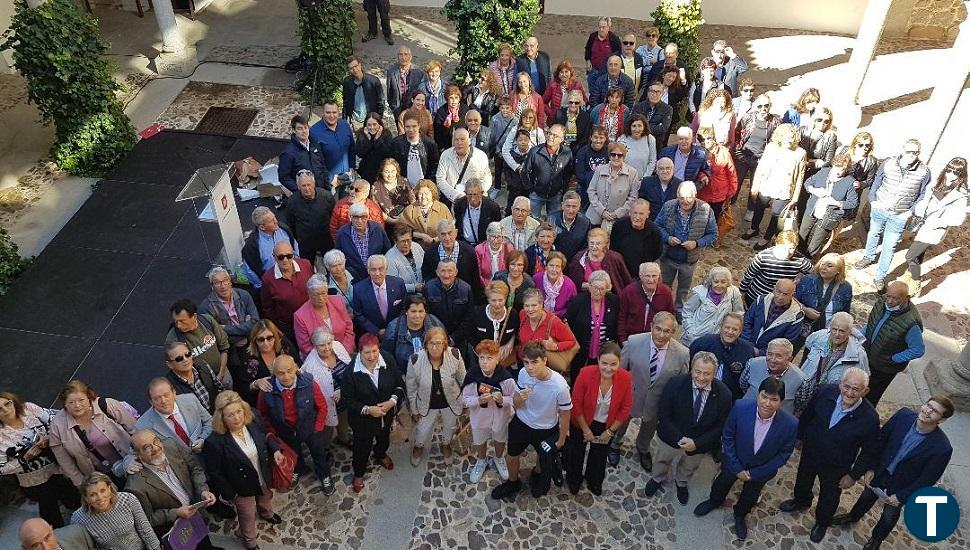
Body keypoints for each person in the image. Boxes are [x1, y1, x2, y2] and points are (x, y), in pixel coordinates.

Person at [831, 396, 954, 550]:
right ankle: (853, 516)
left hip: (901, 487)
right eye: (928, 405)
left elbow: (927, 480)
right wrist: (871, 468)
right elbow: (880, 442)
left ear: (941, 420)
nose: (927, 411)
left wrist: (902, 496)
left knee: (889, 517)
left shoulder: (942, 448)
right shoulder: (903, 416)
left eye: (934, 411)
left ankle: (875, 540)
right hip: (880, 473)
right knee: (866, 496)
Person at [693, 378, 798, 541]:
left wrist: (754, 473)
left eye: (774, 399)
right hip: (733, 462)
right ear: (758, 395)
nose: (767, 403)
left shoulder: (791, 424)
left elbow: (783, 455)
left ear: (781, 401)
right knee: (722, 483)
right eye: (764, 397)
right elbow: (728, 435)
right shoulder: (740, 407)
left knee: (750, 495)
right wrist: (736, 467)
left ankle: (740, 515)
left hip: (760, 471)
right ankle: (714, 501)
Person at [782, 368, 879, 542]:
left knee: (829, 496)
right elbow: (808, 414)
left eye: (856, 389)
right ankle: (801, 500)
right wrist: (800, 436)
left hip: (837, 465)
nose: (849, 393)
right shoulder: (825, 392)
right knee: (803, 479)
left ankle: (822, 522)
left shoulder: (870, 418)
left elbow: (870, 451)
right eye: (846, 386)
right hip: (811, 451)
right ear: (840, 384)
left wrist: (853, 475)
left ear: (865, 391)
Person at [644, 351, 733, 504]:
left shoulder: (724, 394)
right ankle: (657, 478)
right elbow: (664, 414)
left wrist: (697, 444)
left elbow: (720, 426)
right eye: (698, 372)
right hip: (671, 437)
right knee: (662, 460)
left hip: (699, 444)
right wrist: (679, 438)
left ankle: (681, 482)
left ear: (715, 373)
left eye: (707, 373)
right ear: (691, 369)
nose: (701, 377)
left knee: (689, 467)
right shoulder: (675, 384)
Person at [490, 341, 572, 500]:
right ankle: (513, 483)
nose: (530, 367)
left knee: (542, 458)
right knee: (511, 456)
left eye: (534, 362)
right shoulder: (522, 374)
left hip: (546, 428)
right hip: (521, 422)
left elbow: (566, 413)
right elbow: (516, 404)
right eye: (526, 362)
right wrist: (521, 397)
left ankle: (536, 475)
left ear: (545, 360)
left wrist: (561, 438)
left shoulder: (560, 386)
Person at [203, 390, 284, 550]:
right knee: (247, 515)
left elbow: (266, 435)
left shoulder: (252, 419)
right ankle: (250, 541)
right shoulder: (214, 442)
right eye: (230, 415)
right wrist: (231, 494)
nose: (237, 418)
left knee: (266, 496)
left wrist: (275, 450)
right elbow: (215, 472)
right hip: (240, 487)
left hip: (261, 473)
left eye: (239, 411)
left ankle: (267, 513)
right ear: (222, 418)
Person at [610, 312, 688, 470]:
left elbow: (680, 385)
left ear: (673, 332)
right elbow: (619, 372)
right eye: (658, 329)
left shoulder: (682, 353)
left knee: (649, 428)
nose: (661, 335)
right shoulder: (634, 341)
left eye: (667, 331)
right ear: (651, 326)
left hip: (657, 402)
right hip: (630, 396)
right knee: (621, 423)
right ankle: (615, 444)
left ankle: (643, 448)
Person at [257, 355, 335, 494]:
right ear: (274, 373)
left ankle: (325, 476)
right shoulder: (267, 390)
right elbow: (263, 414)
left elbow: (322, 406)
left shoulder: (308, 383)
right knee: (294, 454)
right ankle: (298, 469)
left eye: (289, 371)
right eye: (281, 373)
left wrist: (317, 428)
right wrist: (273, 433)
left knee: (319, 454)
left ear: (296, 369)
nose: (286, 376)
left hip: (310, 428)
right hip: (286, 431)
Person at [124, 430, 217, 545]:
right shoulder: (135, 486)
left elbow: (195, 468)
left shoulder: (172, 445)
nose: (156, 448)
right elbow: (148, 519)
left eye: (156, 441)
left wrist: (202, 490)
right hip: (177, 531)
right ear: (138, 455)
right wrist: (176, 513)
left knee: (205, 542)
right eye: (147, 447)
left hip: (198, 515)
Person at [0, 392, 77, 528]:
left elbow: (56, 419)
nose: (6, 410)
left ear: (13, 401)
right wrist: (24, 459)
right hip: (34, 479)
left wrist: (48, 437)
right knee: (49, 507)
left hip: (58, 464)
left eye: (7, 404)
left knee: (72, 497)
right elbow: (2, 469)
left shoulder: (28, 409)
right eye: (0, 409)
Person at [564, 343, 633, 495]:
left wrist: (610, 431)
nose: (608, 368)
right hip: (581, 421)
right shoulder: (585, 373)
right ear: (598, 360)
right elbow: (576, 403)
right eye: (604, 363)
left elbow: (626, 408)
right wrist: (585, 429)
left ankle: (594, 480)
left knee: (599, 454)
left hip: (607, 424)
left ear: (619, 362)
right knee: (577, 452)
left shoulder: (626, 378)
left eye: (613, 364)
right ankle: (574, 479)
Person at [342, 334, 405, 492]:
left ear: (379, 349)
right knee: (361, 447)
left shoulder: (388, 360)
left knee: (384, 438)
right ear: (359, 352)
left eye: (375, 351)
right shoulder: (350, 372)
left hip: (386, 415)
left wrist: (392, 401)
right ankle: (359, 472)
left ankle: (380, 454)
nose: (371, 356)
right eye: (367, 353)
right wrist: (368, 410)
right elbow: (347, 400)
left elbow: (399, 385)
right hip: (362, 422)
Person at [49, 381, 138, 487]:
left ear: (89, 397)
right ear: (65, 405)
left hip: (132, 461)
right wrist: (81, 484)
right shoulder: (57, 425)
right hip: (100, 478)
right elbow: (65, 461)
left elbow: (136, 430)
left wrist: (139, 455)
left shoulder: (107, 405)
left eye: (81, 400)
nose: (77, 405)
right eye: (71, 402)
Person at [406, 327, 466, 465]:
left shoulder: (455, 354)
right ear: (425, 344)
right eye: (431, 343)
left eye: (439, 343)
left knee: (449, 426)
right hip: (427, 402)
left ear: (445, 344)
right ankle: (419, 445)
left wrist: (466, 402)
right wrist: (414, 409)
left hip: (451, 401)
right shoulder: (415, 360)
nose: (435, 347)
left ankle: (446, 444)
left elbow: (464, 380)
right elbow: (411, 387)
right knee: (422, 428)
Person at [656, 181, 719, 312]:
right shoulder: (668, 206)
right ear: (677, 196)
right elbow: (657, 226)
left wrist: (696, 243)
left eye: (689, 197)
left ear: (695, 195)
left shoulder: (706, 209)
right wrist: (667, 238)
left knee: (683, 289)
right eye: (682, 198)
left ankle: (679, 310)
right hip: (668, 257)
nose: (685, 201)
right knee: (665, 286)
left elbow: (713, 234)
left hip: (689, 260)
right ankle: (663, 309)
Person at [905, 156, 968, 283]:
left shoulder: (960, 195)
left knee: (910, 256)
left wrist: (937, 222)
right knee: (918, 255)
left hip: (933, 229)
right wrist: (919, 211)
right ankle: (910, 280)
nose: (951, 174)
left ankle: (916, 280)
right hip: (922, 224)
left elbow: (958, 219)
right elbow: (924, 200)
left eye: (956, 172)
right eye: (949, 170)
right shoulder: (938, 183)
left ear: (961, 174)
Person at [792, 312, 870, 415]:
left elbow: (863, 379)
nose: (837, 334)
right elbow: (808, 346)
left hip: (828, 399)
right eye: (834, 329)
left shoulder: (858, 355)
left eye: (842, 331)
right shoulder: (818, 337)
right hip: (803, 393)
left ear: (850, 332)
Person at [861, 281, 924, 406]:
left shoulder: (911, 323)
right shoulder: (882, 301)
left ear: (906, 298)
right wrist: (860, 336)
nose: (889, 301)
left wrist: (893, 359)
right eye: (888, 295)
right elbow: (872, 323)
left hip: (883, 369)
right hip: (867, 356)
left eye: (895, 298)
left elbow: (918, 349)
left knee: (870, 396)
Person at [462, 340, 517, 483]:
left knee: (500, 439)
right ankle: (481, 460)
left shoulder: (506, 379)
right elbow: (465, 398)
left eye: (489, 358)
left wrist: (502, 400)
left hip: (500, 418)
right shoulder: (472, 376)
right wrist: (478, 401)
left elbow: (515, 399)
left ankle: (499, 458)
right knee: (480, 440)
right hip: (479, 418)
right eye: (481, 358)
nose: (485, 362)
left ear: (498, 358)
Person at [744, 123, 806, 249]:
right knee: (759, 207)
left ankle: (767, 237)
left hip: (785, 188)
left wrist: (795, 197)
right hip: (768, 184)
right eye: (786, 137)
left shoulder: (800, 153)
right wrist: (755, 185)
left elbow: (800, 177)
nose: (789, 140)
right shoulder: (771, 147)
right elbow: (761, 168)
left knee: (776, 214)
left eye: (792, 137)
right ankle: (753, 228)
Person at [70, 472, 159, 550]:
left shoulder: (128, 499)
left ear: (109, 488)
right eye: (93, 495)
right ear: (86, 498)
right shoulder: (78, 519)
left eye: (103, 491)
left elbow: (145, 529)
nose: (100, 498)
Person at [131, 378, 212, 456]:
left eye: (166, 395)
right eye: (157, 398)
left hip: (208, 453)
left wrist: (202, 439)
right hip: (181, 466)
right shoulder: (142, 425)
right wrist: (128, 463)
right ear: (151, 402)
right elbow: (132, 453)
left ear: (174, 392)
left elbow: (210, 422)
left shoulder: (190, 400)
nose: (163, 401)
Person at [300, 328, 353, 446]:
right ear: (314, 346)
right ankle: (325, 449)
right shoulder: (310, 366)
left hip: (344, 398)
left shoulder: (337, 346)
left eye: (329, 343)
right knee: (326, 431)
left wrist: (344, 389)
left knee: (344, 421)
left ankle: (343, 438)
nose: (327, 347)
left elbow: (350, 369)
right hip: (327, 405)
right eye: (322, 345)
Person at [798, 154, 858, 257]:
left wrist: (836, 203)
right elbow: (808, 182)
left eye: (842, 170)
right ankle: (797, 254)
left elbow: (853, 202)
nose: (838, 172)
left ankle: (808, 260)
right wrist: (814, 190)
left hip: (830, 216)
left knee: (816, 240)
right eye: (836, 168)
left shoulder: (849, 182)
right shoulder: (824, 172)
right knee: (802, 234)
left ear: (847, 169)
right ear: (833, 165)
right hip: (812, 209)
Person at [566, 270, 620, 380]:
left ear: (607, 289)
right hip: (580, 348)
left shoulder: (614, 301)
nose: (598, 291)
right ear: (589, 286)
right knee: (577, 377)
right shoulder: (578, 301)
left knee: (599, 378)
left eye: (602, 289)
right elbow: (569, 322)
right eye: (595, 287)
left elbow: (617, 323)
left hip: (604, 350)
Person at [230, 320, 297, 408]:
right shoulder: (247, 357)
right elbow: (242, 389)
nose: (266, 343)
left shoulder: (284, 346)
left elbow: (298, 364)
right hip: (266, 402)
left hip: (292, 393)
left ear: (275, 337)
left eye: (269, 338)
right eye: (261, 339)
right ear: (254, 340)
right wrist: (256, 383)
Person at [689, 313, 756, 401]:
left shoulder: (747, 350)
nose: (730, 332)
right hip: (698, 392)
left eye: (735, 329)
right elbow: (690, 368)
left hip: (729, 398)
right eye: (727, 327)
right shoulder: (702, 344)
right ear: (721, 327)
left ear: (740, 331)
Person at [166, 298, 230, 387]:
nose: (178, 325)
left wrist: (222, 372)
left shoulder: (207, 321)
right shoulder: (173, 339)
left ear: (194, 316)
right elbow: (176, 366)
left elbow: (224, 347)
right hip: (200, 383)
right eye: (176, 321)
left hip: (222, 373)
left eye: (182, 321)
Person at [738, 231, 813, 307]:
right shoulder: (763, 257)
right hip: (756, 298)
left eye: (791, 248)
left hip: (778, 303)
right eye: (784, 248)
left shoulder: (799, 260)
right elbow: (748, 277)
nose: (787, 252)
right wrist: (741, 296)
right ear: (777, 244)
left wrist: (797, 284)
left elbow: (813, 273)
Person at [734, 94, 781, 208]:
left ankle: (751, 208)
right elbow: (736, 135)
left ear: (770, 106)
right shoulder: (747, 118)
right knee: (736, 182)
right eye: (760, 106)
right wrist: (738, 153)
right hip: (744, 156)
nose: (763, 109)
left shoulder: (775, 122)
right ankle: (730, 205)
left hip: (761, 159)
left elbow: (777, 141)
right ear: (756, 106)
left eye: (766, 106)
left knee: (756, 186)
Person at [738, 338, 806, 415]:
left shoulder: (801, 379)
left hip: (778, 421)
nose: (773, 359)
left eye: (778, 356)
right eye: (770, 354)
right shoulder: (752, 364)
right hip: (747, 413)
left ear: (789, 359)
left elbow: (800, 405)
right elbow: (743, 385)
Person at [260, 241, 312, 341]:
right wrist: (276, 329)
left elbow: (315, 288)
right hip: (289, 326)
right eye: (280, 257)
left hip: (311, 319)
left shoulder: (306, 265)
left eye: (289, 256)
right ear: (274, 257)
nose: (285, 260)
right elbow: (268, 308)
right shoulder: (268, 279)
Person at [200, 266, 260, 354]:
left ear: (230, 282)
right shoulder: (206, 307)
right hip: (230, 349)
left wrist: (226, 328)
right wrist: (242, 332)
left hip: (253, 339)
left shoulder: (243, 295)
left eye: (225, 280)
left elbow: (255, 322)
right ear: (212, 286)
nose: (222, 285)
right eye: (217, 282)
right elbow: (214, 335)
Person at [294, 274, 355, 359]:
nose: (321, 298)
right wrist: (329, 358)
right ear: (309, 294)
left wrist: (344, 352)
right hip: (320, 359)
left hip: (346, 352)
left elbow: (349, 328)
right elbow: (305, 346)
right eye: (316, 294)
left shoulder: (338, 301)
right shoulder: (300, 316)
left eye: (323, 293)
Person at [516, 288, 579, 369]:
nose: (530, 309)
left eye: (534, 305)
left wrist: (555, 346)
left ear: (541, 304)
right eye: (526, 305)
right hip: (525, 363)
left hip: (544, 369)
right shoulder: (523, 314)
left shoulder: (554, 322)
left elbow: (571, 341)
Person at [681, 266, 745, 345]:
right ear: (711, 281)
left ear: (728, 282)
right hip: (696, 337)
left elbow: (739, 314)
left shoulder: (734, 293)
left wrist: (731, 332)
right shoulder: (699, 292)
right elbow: (687, 312)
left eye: (723, 282)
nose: (719, 285)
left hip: (718, 340)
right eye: (716, 281)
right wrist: (690, 330)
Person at [284, 170, 335, 266]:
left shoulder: (326, 196)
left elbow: (333, 217)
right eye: (303, 186)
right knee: (307, 266)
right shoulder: (292, 202)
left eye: (309, 184)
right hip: (306, 242)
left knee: (332, 264)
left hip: (326, 239)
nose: (307, 188)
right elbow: (290, 224)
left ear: (314, 183)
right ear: (298, 186)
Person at [382, 294, 445, 372]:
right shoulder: (393, 329)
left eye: (421, 311)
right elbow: (387, 358)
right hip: (404, 374)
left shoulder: (435, 324)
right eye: (413, 311)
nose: (417, 315)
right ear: (406, 312)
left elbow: (445, 350)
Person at [617, 261, 676, 343]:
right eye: (647, 276)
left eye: (654, 276)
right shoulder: (628, 292)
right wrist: (623, 339)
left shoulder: (666, 293)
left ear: (659, 276)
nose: (651, 280)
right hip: (632, 337)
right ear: (640, 276)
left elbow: (670, 317)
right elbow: (622, 317)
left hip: (655, 339)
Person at [421, 219, 482, 298]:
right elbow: (427, 276)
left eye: (450, 233)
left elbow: (475, 279)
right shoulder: (430, 252)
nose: (447, 238)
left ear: (456, 233)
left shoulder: (468, 251)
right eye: (443, 234)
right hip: (438, 298)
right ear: (438, 235)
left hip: (463, 298)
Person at [586, 141, 640, 231]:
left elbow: (633, 197)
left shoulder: (633, 173)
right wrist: (602, 211)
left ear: (624, 156)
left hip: (620, 219)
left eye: (619, 155)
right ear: (609, 155)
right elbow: (591, 191)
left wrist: (617, 213)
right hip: (596, 216)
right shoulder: (599, 170)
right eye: (613, 154)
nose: (616, 157)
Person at [742, 279, 805, 355]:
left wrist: (761, 353)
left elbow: (786, 343)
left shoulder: (796, 316)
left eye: (785, 294)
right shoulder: (761, 301)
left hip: (769, 356)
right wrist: (748, 345)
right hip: (746, 346)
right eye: (778, 292)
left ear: (793, 294)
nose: (780, 297)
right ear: (774, 289)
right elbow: (747, 322)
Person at [522, 124, 573, 219]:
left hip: (556, 195)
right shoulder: (535, 151)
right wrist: (530, 188)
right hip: (536, 194)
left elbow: (567, 173)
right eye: (549, 133)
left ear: (562, 139)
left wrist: (562, 189)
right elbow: (525, 171)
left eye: (555, 135)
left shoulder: (567, 153)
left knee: (553, 222)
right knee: (532, 220)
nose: (550, 137)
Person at [794, 253, 853, 333]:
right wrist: (804, 309)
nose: (824, 268)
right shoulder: (807, 280)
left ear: (839, 270)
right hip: (803, 327)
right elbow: (792, 300)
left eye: (829, 266)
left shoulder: (846, 288)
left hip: (829, 331)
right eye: (822, 264)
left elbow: (845, 313)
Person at [351, 255, 407, 338]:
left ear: (386, 269)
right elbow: (358, 314)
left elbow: (404, 308)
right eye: (373, 269)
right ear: (368, 270)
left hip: (396, 332)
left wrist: (392, 328)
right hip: (371, 334)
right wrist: (376, 331)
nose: (377, 273)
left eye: (381, 269)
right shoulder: (358, 289)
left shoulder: (398, 283)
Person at [163, 342, 226, 415]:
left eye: (188, 354)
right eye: (179, 358)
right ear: (169, 365)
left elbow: (219, 388)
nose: (185, 359)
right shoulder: (168, 386)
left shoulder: (202, 364)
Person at [335, 202, 392, 281]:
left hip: (377, 275)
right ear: (350, 217)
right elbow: (339, 257)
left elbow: (388, 252)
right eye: (356, 217)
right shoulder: (342, 233)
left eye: (363, 217)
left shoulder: (377, 229)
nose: (359, 221)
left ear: (367, 217)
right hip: (354, 278)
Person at [465, 281, 520, 364]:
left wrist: (510, 343)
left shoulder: (513, 315)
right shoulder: (478, 313)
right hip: (482, 360)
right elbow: (470, 336)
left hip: (504, 361)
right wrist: (484, 353)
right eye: (493, 300)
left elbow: (516, 333)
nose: (497, 304)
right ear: (488, 300)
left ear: (505, 299)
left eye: (500, 300)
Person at [502, 111, 546, 211]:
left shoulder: (539, 132)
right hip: (516, 167)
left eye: (530, 118)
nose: (527, 120)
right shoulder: (515, 130)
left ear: (534, 119)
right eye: (525, 117)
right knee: (512, 201)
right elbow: (505, 150)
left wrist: (530, 166)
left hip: (530, 170)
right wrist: (516, 166)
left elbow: (542, 152)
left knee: (528, 204)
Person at [567, 227, 633, 293]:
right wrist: (590, 286)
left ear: (605, 244)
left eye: (598, 243)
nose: (594, 247)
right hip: (586, 296)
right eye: (592, 243)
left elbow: (626, 281)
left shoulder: (615, 258)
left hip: (611, 297)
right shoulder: (579, 258)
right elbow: (573, 284)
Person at [424, 258, 474, 345]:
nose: (446, 275)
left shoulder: (466, 289)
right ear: (437, 272)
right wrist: (438, 337)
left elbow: (469, 317)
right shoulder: (428, 288)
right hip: (435, 339)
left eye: (450, 271)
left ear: (456, 272)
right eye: (443, 271)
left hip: (459, 340)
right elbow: (426, 316)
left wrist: (454, 338)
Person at [436, 128, 492, 204]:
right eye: (456, 139)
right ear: (452, 141)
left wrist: (476, 193)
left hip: (475, 200)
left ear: (469, 141)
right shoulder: (445, 155)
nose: (459, 143)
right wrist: (456, 195)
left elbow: (487, 178)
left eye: (462, 139)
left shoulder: (480, 156)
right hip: (452, 199)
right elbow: (440, 179)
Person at [310, 100, 356, 191]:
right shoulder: (314, 132)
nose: (331, 116)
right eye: (328, 112)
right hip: (330, 182)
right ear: (323, 113)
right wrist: (331, 179)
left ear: (338, 112)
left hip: (347, 176)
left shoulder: (345, 125)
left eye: (334, 112)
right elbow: (316, 161)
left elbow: (351, 148)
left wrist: (352, 167)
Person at [696, 125, 738, 220]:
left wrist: (732, 191)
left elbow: (732, 173)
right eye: (702, 139)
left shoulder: (724, 153)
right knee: (701, 219)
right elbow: (694, 170)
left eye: (708, 138)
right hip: (703, 193)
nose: (706, 141)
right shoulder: (698, 152)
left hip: (719, 194)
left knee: (714, 219)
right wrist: (702, 175)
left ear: (714, 138)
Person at [278, 115, 329, 193]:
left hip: (322, 190)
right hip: (305, 195)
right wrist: (300, 190)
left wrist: (327, 184)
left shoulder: (315, 144)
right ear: (294, 131)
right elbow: (284, 177)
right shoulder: (288, 153)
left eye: (305, 127)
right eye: (300, 128)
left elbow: (322, 165)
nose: (304, 131)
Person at [399, 180, 454, 248]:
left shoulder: (442, 208)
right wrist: (421, 235)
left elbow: (451, 228)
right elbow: (401, 230)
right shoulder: (409, 210)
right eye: (420, 194)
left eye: (426, 194)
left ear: (432, 194)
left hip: (440, 246)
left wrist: (437, 238)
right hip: (417, 248)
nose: (423, 197)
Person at [390, 113, 439, 187]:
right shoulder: (396, 143)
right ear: (404, 127)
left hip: (424, 186)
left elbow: (435, 165)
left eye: (414, 126)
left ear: (419, 126)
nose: (411, 130)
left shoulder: (429, 143)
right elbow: (392, 165)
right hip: (404, 185)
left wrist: (428, 183)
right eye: (407, 127)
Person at [454, 178, 502, 247]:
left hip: (484, 246)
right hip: (464, 245)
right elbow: (457, 225)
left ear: (482, 193)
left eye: (475, 194)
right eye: (470, 194)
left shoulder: (492, 208)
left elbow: (496, 229)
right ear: (465, 193)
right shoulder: (459, 204)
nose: (473, 198)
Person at [487, 97, 519, 198]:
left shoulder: (515, 121)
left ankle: (511, 188)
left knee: (510, 170)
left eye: (507, 108)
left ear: (511, 108)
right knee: (498, 169)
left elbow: (516, 137)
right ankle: (497, 187)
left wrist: (510, 151)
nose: (505, 110)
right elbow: (491, 136)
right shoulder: (495, 119)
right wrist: (497, 150)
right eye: (502, 108)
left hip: (510, 151)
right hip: (498, 149)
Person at [549, 191, 593, 262]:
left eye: (574, 206)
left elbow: (586, 246)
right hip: (555, 261)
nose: (570, 210)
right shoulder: (551, 219)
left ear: (579, 207)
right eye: (568, 206)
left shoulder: (585, 223)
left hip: (575, 262)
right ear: (562, 205)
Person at [573, 125, 610, 209]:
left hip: (603, 188)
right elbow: (580, 174)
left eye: (601, 138)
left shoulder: (608, 152)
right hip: (585, 187)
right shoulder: (583, 151)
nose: (598, 141)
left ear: (605, 139)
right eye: (595, 137)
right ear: (591, 138)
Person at [342, 57, 385, 129]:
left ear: (360, 65)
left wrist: (378, 118)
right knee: (360, 139)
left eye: (356, 66)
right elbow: (346, 101)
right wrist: (345, 117)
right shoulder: (347, 82)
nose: (355, 70)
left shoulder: (373, 81)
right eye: (351, 68)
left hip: (371, 120)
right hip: (356, 120)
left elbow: (381, 100)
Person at [632, 82, 674, 155]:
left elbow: (663, 128)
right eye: (652, 91)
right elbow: (632, 124)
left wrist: (641, 127)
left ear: (662, 94)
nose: (654, 95)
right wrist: (656, 126)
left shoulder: (667, 109)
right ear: (648, 93)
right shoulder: (638, 107)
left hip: (656, 145)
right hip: (637, 143)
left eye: (658, 92)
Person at [370, 158, 414, 226]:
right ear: (381, 172)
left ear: (397, 171)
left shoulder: (404, 181)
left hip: (407, 220)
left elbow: (413, 202)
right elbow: (377, 211)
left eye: (393, 171)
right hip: (388, 223)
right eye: (386, 171)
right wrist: (394, 221)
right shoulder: (376, 186)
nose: (390, 175)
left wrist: (406, 218)